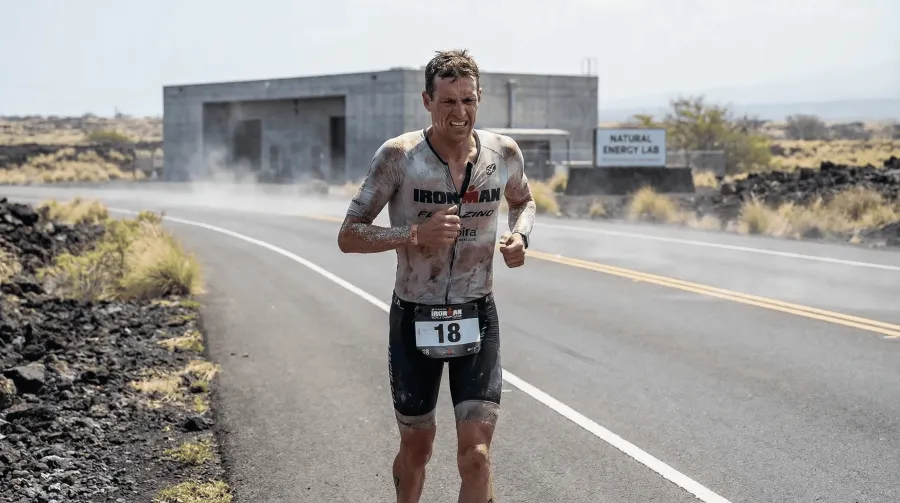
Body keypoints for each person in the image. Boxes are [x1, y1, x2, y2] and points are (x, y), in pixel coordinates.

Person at [337, 48, 536, 503]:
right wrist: (412, 233)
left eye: (468, 100)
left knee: (477, 457)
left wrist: (520, 237)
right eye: (448, 101)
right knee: (418, 449)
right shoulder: (399, 156)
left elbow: (524, 201)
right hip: (414, 316)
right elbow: (349, 235)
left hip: (477, 313)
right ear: (427, 101)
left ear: (479, 98)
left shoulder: (503, 152)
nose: (460, 113)